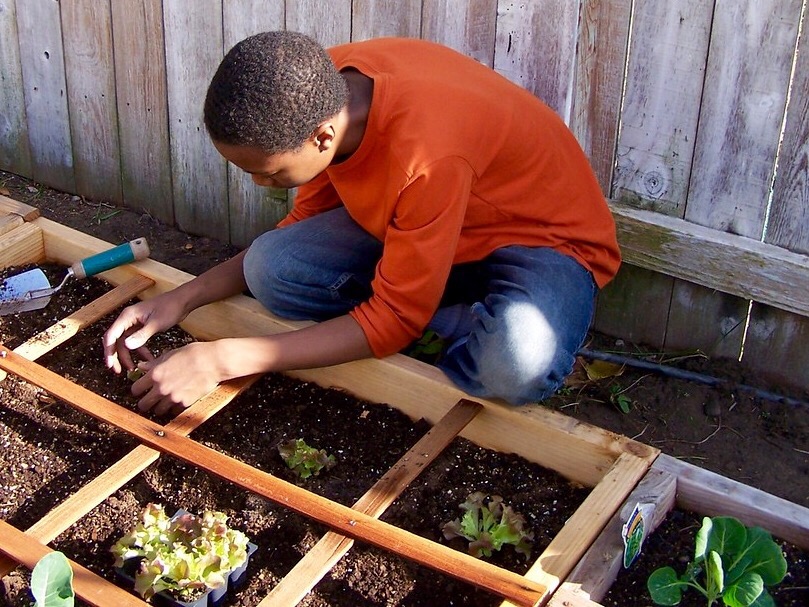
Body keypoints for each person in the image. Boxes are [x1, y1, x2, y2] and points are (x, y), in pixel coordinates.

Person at [102, 31, 621, 415]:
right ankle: (449, 315)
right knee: (272, 267)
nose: (262, 186)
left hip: (540, 242)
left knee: (513, 364)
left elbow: (393, 321)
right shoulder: (324, 91)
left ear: (322, 138)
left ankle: (467, 322)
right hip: (435, 226)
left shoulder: (426, 156)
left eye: (269, 172)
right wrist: (183, 297)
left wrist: (222, 359)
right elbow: (298, 227)